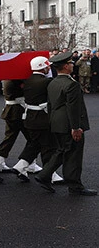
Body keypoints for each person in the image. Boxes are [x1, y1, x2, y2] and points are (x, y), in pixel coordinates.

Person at [34, 52, 97, 195]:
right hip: (69, 124)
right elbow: (73, 108)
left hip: (57, 122)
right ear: (65, 66)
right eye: (70, 63)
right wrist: (76, 127)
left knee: (62, 150)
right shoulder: (71, 84)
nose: (72, 65)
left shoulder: (53, 82)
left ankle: (44, 176)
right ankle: (74, 186)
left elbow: (51, 105)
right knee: (73, 155)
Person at [0, 79, 28, 172]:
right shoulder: (16, 80)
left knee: (10, 136)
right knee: (32, 138)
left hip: (11, 110)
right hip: (18, 110)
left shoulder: (8, 79)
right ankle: (27, 163)